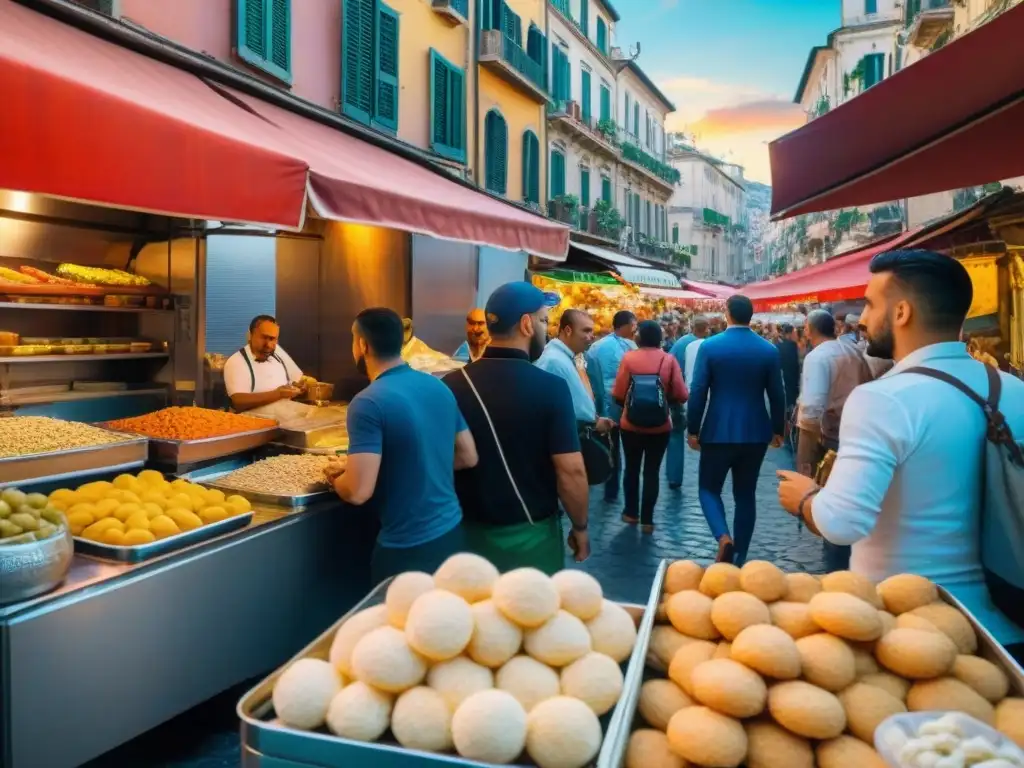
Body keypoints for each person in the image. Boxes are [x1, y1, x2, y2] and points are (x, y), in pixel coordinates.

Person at [777, 249, 1024, 657]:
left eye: (872, 304)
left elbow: (841, 522)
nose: (863, 319)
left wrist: (804, 498)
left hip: (912, 632)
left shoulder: (882, 399)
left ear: (902, 312)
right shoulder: (1015, 392)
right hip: (1008, 623)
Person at [444, 282, 591, 574]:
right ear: (526, 324)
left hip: (466, 535)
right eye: (543, 321)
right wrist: (581, 527)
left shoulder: (451, 384)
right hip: (530, 536)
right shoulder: (551, 388)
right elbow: (570, 470)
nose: (545, 329)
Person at [325, 308, 478, 584]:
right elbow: (468, 456)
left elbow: (358, 491)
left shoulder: (367, 402)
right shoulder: (438, 387)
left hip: (407, 549)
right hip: (452, 534)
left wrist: (337, 478)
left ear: (362, 345)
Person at [687, 295, 785, 564]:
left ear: (727, 313)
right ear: (751, 316)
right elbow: (778, 394)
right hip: (755, 431)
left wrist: (692, 428)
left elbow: (698, 391)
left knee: (708, 488)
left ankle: (723, 537)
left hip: (717, 429)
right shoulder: (768, 350)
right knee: (745, 494)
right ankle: (739, 553)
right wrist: (779, 429)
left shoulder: (710, 347)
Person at [796, 309, 880, 572]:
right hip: (859, 432)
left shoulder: (818, 357)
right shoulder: (854, 351)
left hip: (831, 439)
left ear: (809, 329)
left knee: (832, 504)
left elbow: (811, 412)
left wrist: (804, 460)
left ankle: (837, 564)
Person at [613, 321, 687, 533]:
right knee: (652, 472)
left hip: (630, 425)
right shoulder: (668, 359)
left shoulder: (629, 358)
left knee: (632, 468)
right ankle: (647, 520)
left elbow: (618, 393)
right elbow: (681, 395)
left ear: (639, 337)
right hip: (660, 426)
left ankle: (630, 513)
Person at [587, 311, 639, 503]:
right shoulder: (631, 347)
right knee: (626, 448)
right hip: (624, 404)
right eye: (634, 325)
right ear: (624, 325)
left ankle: (611, 487)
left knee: (612, 446)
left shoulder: (595, 347)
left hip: (603, 405)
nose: (635, 329)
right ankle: (623, 490)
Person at [535, 309, 615, 432]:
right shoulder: (554, 361)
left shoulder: (566, 358)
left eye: (592, 331)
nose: (592, 336)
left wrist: (595, 420)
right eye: (586, 330)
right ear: (568, 330)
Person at [222, 315, 309, 417]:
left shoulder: (278, 353)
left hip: (285, 417)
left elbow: (297, 380)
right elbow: (238, 402)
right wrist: (279, 394)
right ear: (250, 336)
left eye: (273, 339)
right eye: (264, 337)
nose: (268, 344)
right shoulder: (236, 361)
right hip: (252, 423)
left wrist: (299, 386)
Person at [665, 316, 708, 490]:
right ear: (705, 329)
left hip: (677, 395)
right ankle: (708, 478)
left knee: (675, 437)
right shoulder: (709, 345)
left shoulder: (681, 343)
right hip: (702, 397)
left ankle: (674, 477)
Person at [776, 323, 801, 416]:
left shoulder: (778, 346)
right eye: (795, 333)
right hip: (792, 384)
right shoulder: (791, 347)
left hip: (784, 384)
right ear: (789, 334)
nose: (797, 335)